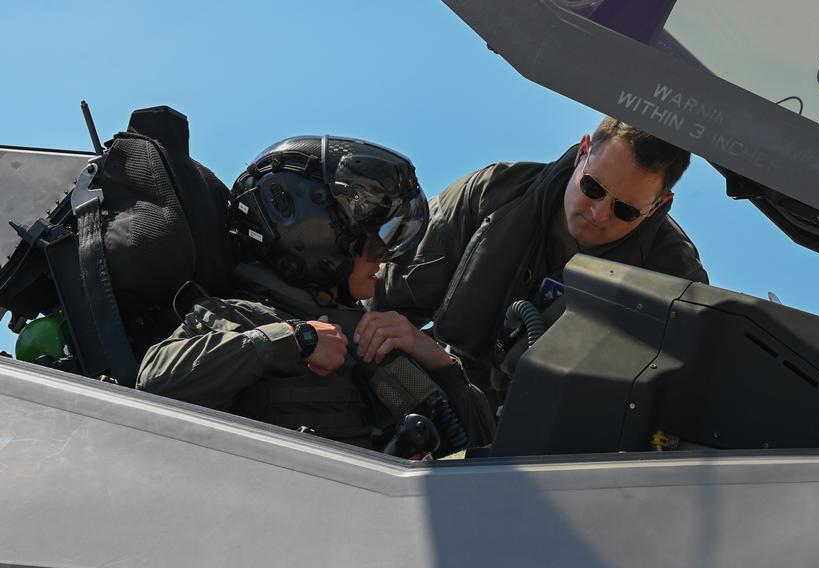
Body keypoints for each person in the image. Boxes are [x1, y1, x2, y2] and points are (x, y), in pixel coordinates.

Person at [137, 136, 494, 454]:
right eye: (370, 238)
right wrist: (294, 340)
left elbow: (483, 452)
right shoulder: (238, 317)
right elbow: (156, 383)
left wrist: (438, 362)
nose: (382, 255)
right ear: (315, 238)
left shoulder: (371, 342)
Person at [371, 117, 708, 399]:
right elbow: (382, 297)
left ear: (658, 205)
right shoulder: (494, 192)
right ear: (584, 151)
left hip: (553, 452)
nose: (599, 213)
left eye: (625, 209)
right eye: (592, 187)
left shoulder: (675, 283)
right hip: (436, 393)